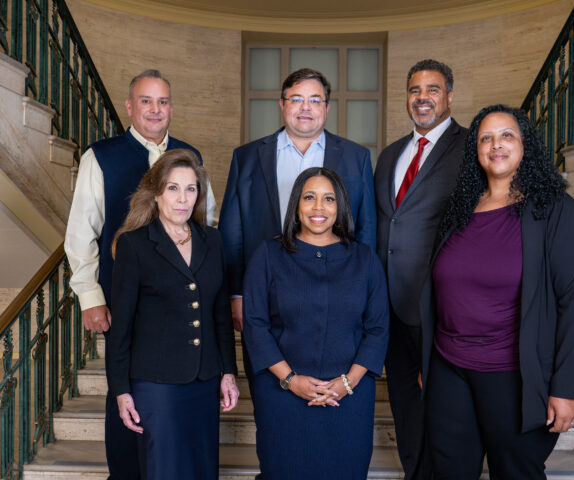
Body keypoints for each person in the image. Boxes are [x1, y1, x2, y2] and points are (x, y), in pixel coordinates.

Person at [422, 104, 574, 478]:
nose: (496, 145)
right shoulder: (459, 210)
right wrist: (428, 359)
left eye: (507, 136)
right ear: (476, 150)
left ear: (525, 146)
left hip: (514, 376)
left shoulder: (553, 210)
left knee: (515, 473)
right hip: (449, 369)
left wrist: (567, 387)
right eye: (486, 138)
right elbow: (436, 289)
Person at [64, 69, 216, 479]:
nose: (154, 109)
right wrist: (91, 297)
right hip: (122, 302)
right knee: (126, 398)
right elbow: (81, 232)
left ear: (172, 108)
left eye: (162, 101)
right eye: (145, 101)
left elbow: (206, 225)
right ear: (130, 106)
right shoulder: (102, 156)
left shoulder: (190, 157)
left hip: (178, 309)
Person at [242, 167, 389, 480]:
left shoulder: (364, 259)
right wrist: (291, 380)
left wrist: (347, 382)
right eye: (309, 197)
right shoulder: (268, 255)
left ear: (340, 208)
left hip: (348, 399)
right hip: (283, 396)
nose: (319, 207)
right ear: (296, 204)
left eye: (328, 199)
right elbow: (255, 324)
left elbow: (378, 329)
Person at [108, 149, 238, 479]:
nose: (182, 199)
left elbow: (220, 314)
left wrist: (228, 372)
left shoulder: (213, 240)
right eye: (173, 188)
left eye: (191, 189)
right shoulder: (134, 245)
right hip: (157, 385)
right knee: (164, 469)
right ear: (155, 193)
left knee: (202, 469)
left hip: (205, 381)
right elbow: (121, 326)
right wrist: (121, 390)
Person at [219, 68, 376, 335]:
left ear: (326, 108)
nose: (306, 108)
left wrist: (363, 290)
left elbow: (366, 228)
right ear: (282, 104)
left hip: (337, 289)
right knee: (267, 371)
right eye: (296, 99)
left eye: (315, 100)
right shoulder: (246, 157)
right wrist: (236, 294)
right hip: (264, 289)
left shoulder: (356, 157)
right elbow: (232, 233)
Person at [374, 59, 466, 479]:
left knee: (444, 409)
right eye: (414, 90)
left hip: (441, 306)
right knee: (406, 408)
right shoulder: (391, 154)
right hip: (391, 306)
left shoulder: (470, 149)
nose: (422, 98)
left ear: (449, 95)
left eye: (432, 89)